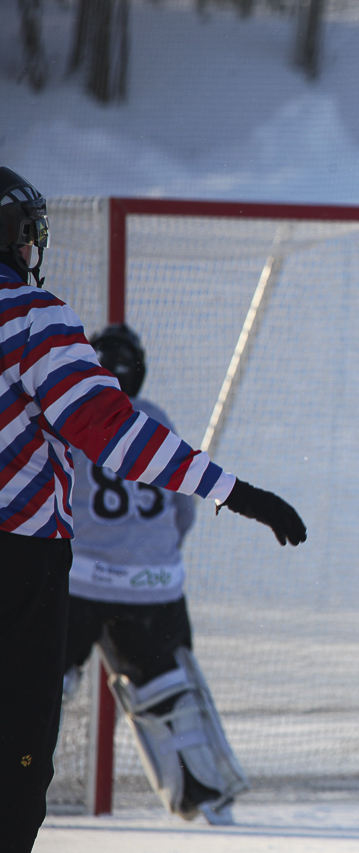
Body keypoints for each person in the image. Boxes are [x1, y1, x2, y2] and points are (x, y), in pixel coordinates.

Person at [0, 167, 306, 852]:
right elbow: (122, 437)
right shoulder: (31, 314)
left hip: (72, 582)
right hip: (34, 567)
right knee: (19, 751)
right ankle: (201, 789)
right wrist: (239, 493)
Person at [60, 324, 249, 826]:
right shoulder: (157, 420)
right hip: (154, 588)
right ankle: (209, 800)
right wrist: (149, 561)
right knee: (169, 694)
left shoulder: (69, 417)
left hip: (79, 582)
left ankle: (20, 770)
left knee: (45, 678)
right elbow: (182, 510)